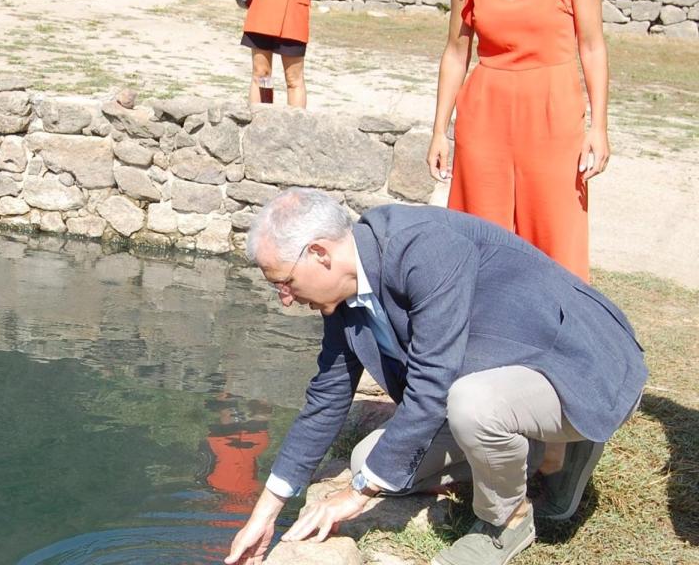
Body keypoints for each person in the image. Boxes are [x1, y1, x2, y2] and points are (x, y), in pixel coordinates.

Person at [224, 188, 647, 565]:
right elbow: (325, 401)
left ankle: (507, 522)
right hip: (510, 369)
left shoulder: (423, 246)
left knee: (473, 405)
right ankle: (538, 450)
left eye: (285, 282)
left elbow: (433, 383)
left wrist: (355, 496)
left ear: (319, 253)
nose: (285, 299)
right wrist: (265, 514)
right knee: (367, 462)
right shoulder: (345, 295)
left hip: (579, 364)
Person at [426, 0, 609, 282]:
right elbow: (456, 51)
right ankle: (480, 320)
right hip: (484, 116)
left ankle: (564, 320)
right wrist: (438, 131)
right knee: (479, 232)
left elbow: (592, 46)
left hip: (554, 113)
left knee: (557, 234)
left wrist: (599, 126)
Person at [241, 0, 311, 108]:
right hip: (263, 3)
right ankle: (260, 122)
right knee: (261, 75)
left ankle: (296, 125)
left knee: (293, 80)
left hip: (294, 8)